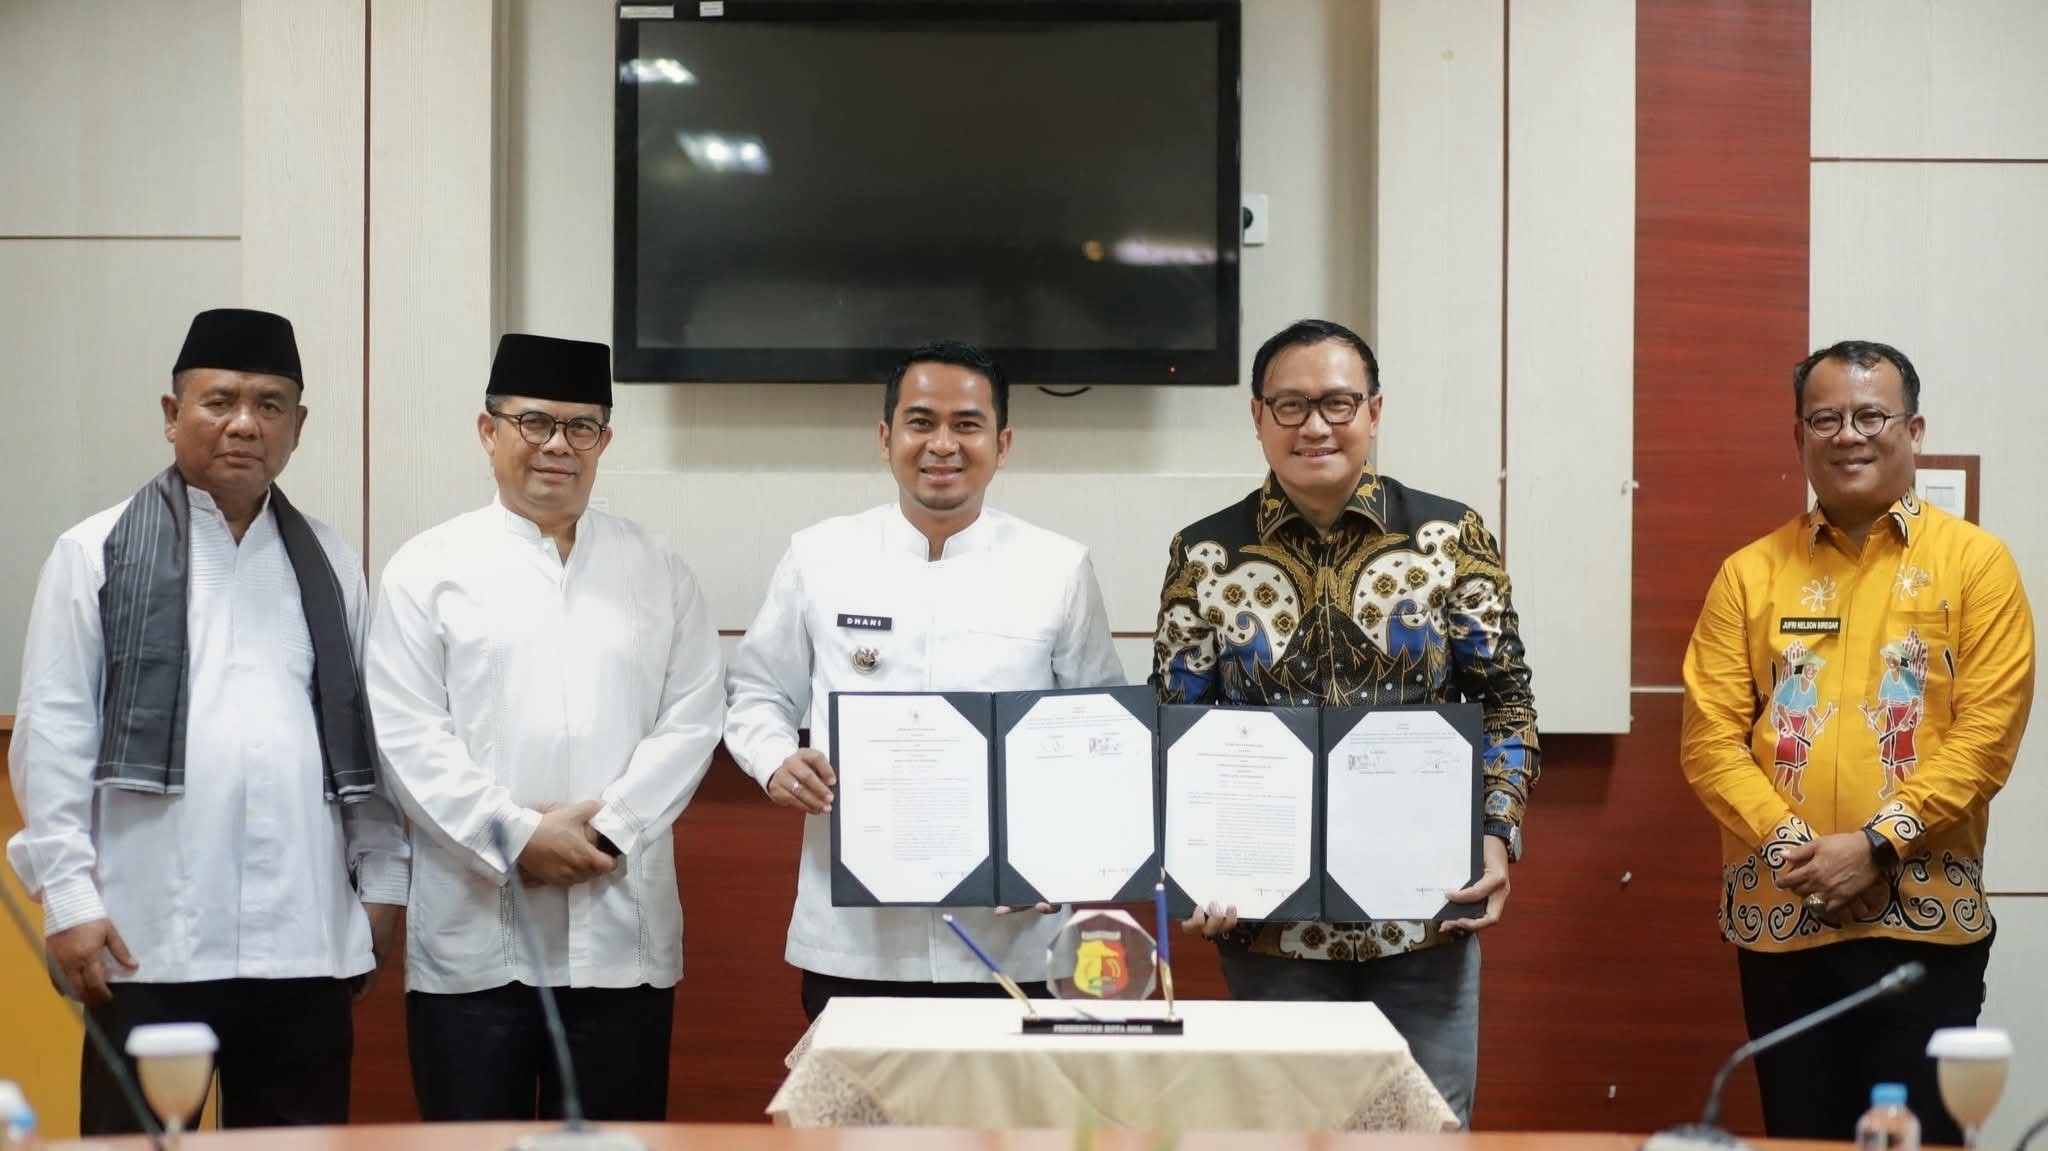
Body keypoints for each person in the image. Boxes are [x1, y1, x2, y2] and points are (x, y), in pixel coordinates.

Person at [7, 308, 408, 1132]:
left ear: (298, 425)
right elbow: (53, 735)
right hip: (147, 937)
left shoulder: (330, 560)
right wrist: (69, 898)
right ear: (171, 413)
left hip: (303, 936)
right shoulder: (94, 552)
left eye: (269, 405)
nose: (244, 424)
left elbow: (362, 735)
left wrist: (383, 880)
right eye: (219, 400)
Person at [1149, 318, 1540, 1125]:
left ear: (1374, 410)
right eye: (1290, 405)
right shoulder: (1204, 554)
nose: (1315, 426)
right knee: (1284, 1136)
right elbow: (1176, 726)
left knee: (1425, 1131)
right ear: (1258, 416)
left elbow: (1505, 697)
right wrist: (1193, 867)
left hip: (1425, 918)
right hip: (1269, 927)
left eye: (1338, 402)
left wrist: (1496, 833)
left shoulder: (1449, 537)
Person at [1680, 339, 2033, 1144]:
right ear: (1798, 435)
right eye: (1825, 419)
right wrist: (1801, 851)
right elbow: (1709, 741)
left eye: (1871, 416)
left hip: (1924, 924)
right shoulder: (1748, 573)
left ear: (1914, 429)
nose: (1848, 435)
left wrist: (1876, 844)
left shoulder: (1976, 565)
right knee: (1800, 1134)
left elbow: (1987, 735)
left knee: (1920, 1137)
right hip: (1784, 916)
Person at [366, 333, 724, 1121]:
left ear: (605, 441)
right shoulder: (426, 570)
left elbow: (694, 717)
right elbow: (408, 736)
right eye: (534, 422)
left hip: (621, 935)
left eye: (581, 426)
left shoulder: (657, 569)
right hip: (474, 944)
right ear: (488, 430)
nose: (558, 444)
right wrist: (519, 836)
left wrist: (610, 831)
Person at [724, 339, 1123, 1022]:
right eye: (921, 422)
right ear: (886, 438)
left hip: (1012, 937)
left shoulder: (1057, 567)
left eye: (967, 424)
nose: (943, 444)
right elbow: (758, 691)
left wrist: (1062, 861)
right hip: (856, 940)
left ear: (1002, 443)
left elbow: (1101, 732)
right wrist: (775, 760)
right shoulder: (819, 556)